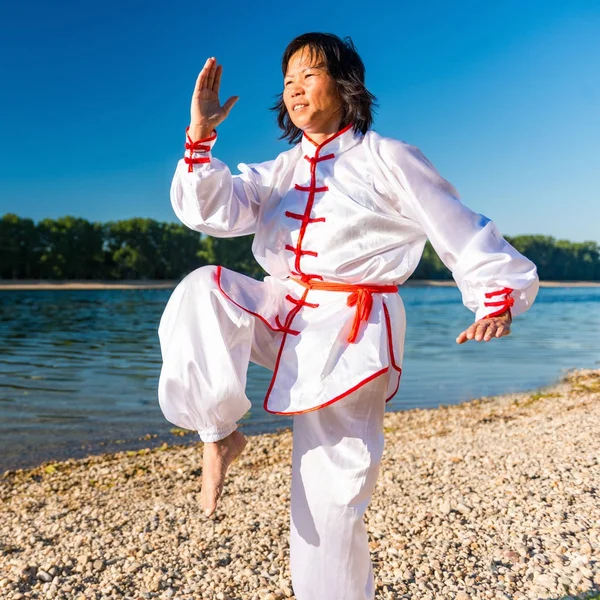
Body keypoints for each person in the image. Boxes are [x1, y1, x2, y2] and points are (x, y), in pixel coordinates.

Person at [158, 32, 538, 600]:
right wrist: (201, 137)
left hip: (351, 332)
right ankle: (218, 433)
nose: (294, 89)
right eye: (287, 80)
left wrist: (495, 296)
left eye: (308, 75)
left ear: (345, 84)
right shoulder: (280, 170)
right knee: (203, 289)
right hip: (285, 307)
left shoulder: (388, 157)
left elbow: (457, 225)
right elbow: (210, 210)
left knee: (329, 496)